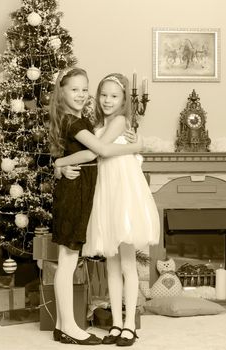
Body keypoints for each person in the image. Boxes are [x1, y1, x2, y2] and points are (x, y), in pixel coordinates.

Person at [54, 72, 160, 347]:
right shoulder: (95, 122)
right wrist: (61, 165)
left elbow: (98, 152)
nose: (107, 100)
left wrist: (137, 144)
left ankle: (129, 325)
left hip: (122, 195)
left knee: (126, 262)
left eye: (114, 96)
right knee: (111, 263)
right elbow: (95, 151)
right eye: (103, 95)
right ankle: (115, 323)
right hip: (104, 195)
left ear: (125, 99)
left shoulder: (120, 121)